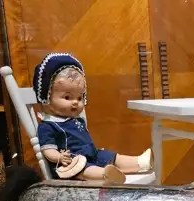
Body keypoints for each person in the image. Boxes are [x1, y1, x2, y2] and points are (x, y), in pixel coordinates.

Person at [33, 52, 153, 183]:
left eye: (79, 97)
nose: (75, 102)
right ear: (47, 97)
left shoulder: (75, 119)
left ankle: (139, 163)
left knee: (110, 156)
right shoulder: (48, 125)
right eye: (67, 97)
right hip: (70, 164)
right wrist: (59, 158)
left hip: (91, 154)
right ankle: (105, 174)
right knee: (83, 169)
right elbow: (48, 150)